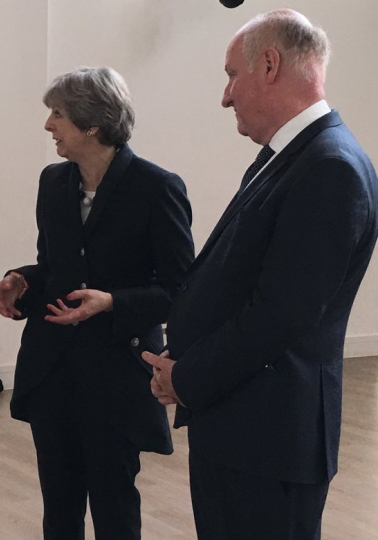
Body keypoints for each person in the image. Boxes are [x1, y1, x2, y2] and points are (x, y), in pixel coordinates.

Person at [143, 9, 378, 540]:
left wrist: (188, 376)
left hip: (269, 440)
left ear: (269, 64)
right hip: (242, 428)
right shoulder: (295, 155)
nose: (225, 96)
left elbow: (282, 314)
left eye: (231, 75)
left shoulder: (330, 166)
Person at [0, 67, 194, 539]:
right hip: (53, 367)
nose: (48, 126)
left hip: (115, 375)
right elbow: (56, 267)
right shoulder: (53, 182)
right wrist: (20, 279)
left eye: (57, 115)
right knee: (58, 504)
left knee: (113, 503)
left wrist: (110, 302)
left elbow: (180, 288)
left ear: (92, 126)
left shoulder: (156, 187)